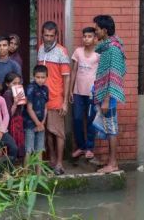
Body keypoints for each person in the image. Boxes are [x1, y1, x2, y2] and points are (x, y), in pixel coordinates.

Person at [92, 15, 126, 174]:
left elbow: (114, 75)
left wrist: (106, 99)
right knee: (108, 126)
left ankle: (113, 164)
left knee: (111, 128)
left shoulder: (112, 49)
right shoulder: (107, 47)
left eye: (97, 29)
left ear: (104, 30)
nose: (95, 32)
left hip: (109, 96)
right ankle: (110, 161)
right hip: (105, 94)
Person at [37, 21, 71, 175]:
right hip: (42, 99)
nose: (48, 38)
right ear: (42, 35)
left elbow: (67, 78)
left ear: (56, 35)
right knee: (47, 132)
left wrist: (65, 102)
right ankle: (51, 160)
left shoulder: (62, 52)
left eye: (51, 35)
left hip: (57, 98)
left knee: (58, 132)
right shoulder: (40, 49)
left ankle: (59, 163)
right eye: (46, 35)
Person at [69, 27, 100, 160]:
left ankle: (89, 148)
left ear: (95, 39)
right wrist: (70, 90)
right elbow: (74, 71)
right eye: (84, 36)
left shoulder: (99, 54)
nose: (86, 39)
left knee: (91, 120)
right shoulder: (78, 52)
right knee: (77, 119)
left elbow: (101, 74)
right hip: (77, 92)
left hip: (92, 94)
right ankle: (81, 147)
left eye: (89, 36)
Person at [23, 65, 49, 174]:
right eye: (38, 77)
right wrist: (37, 123)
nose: (40, 79)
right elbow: (29, 109)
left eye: (43, 77)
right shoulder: (30, 88)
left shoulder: (46, 89)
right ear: (33, 76)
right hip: (30, 124)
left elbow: (46, 107)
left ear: (46, 77)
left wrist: (42, 122)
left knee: (39, 150)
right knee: (29, 150)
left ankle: (38, 175)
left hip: (41, 124)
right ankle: (25, 174)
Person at [3, 72, 25, 159]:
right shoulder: (7, 94)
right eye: (14, 83)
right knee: (13, 146)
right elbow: (9, 115)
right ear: (7, 84)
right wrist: (15, 103)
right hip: (12, 124)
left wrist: (23, 100)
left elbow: (21, 109)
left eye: (19, 83)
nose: (17, 85)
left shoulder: (16, 93)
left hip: (18, 122)